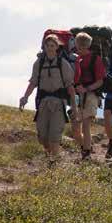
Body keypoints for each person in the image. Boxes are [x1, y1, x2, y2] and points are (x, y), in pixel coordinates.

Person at [19, 34, 76, 164]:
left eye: (52, 45)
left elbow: (70, 87)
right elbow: (33, 82)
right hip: (43, 103)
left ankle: (53, 165)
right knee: (42, 137)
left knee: (54, 136)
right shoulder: (38, 64)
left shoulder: (63, 64)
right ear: (44, 47)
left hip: (59, 103)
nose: (50, 48)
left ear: (57, 47)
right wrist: (25, 97)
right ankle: (50, 157)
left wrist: (74, 107)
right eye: (47, 45)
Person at [73, 32, 106, 161]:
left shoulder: (95, 59)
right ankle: (85, 147)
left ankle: (86, 153)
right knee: (75, 129)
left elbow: (100, 81)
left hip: (91, 94)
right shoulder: (74, 59)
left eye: (83, 45)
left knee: (86, 124)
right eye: (79, 45)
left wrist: (86, 89)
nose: (81, 47)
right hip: (77, 95)